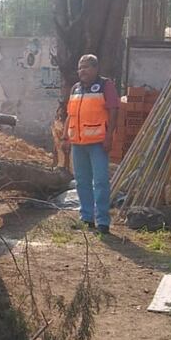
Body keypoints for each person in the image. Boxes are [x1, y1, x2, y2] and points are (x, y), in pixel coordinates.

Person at [62, 54, 119, 234]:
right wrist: (65, 138)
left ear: (95, 69)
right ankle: (87, 217)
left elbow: (114, 110)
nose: (82, 71)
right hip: (78, 144)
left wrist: (109, 136)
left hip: (98, 143)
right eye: (80, 67)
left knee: (101, 181)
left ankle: (102, 221)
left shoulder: (105, 86)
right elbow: (70, 115)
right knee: (82, 181)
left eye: (86, 67)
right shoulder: (76, 89)